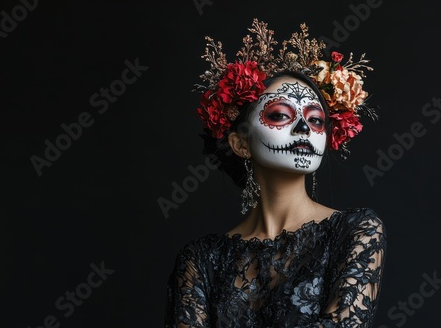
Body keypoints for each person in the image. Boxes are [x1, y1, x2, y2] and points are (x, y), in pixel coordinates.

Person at [164, 19, 387, 327]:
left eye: (316, 121)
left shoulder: (356, 232)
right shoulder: (200, 259)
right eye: (281, 115)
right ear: (240, 143)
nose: (303, 130)